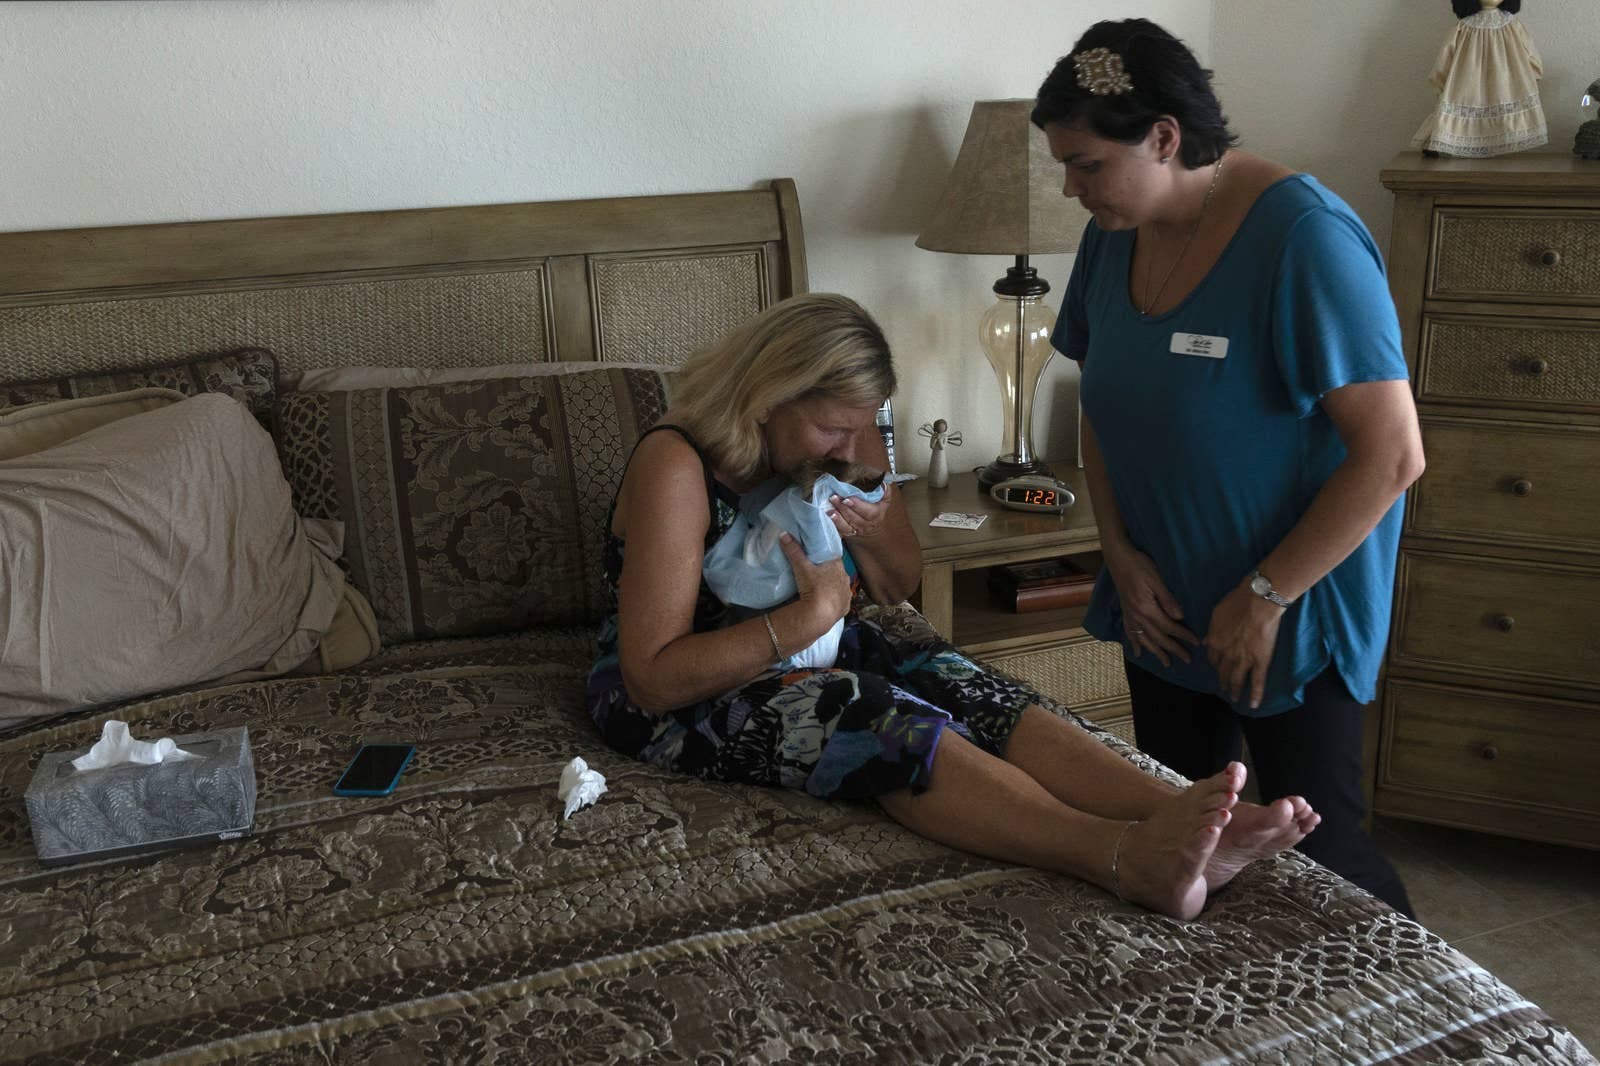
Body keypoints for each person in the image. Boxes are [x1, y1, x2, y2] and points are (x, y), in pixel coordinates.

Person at [585, 291, 1318, 921]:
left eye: (862, 425)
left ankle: (1176, 812)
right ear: (768, 395)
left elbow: (900, 584)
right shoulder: (677, 463)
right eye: (834, 428)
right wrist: (804, 620)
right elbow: (651, 677)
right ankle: (1121, 856)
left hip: (816, 638)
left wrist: (871, 529)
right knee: (865, 709)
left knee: (955, 674)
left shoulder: (847, 436)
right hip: (679, 694)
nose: (849, 447)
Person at [1035, 20, 1426, 915]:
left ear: (1164, 138)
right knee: (1186, 839)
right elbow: (1102, 404)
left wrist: (1264, 597)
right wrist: (1120, 556)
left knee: (1324, 860)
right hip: (1164, 603)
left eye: (1086, 164)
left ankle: (1417, 1000)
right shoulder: (1115, 229)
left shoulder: (1305, 240)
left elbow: (1393, 454)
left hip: (1289, 605)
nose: (1070, 187)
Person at [1413, 0, 1547, 158]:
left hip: (1469, 84)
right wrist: (1533, 73)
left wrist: (1439, 80)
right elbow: (1531, 57)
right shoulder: (1465, 26)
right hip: (1497, 86)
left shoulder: (1505, 24)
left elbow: (1444, 61)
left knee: (1459, 108)